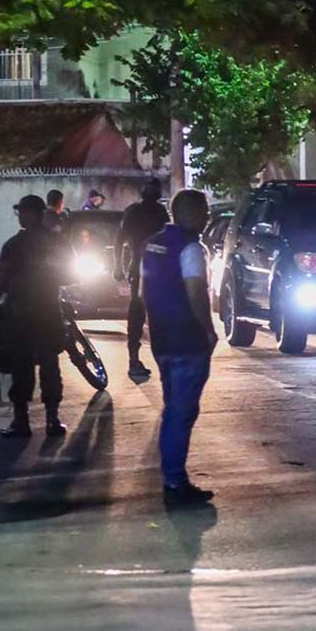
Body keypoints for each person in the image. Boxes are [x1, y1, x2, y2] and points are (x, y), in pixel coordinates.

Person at [141, 189, 217, 508]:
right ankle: (175, 481)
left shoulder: (153, 243)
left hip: (163, 338)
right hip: (187, 339)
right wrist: (209, 331)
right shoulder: (191, 248)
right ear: (192, 214)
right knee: (181, 412)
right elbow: (196, 293)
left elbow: (145, 290)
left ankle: (173, 476)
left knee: (172, 406)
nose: (206, 218)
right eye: (204, 212)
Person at [0, 195, 73, 438]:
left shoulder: (13, 245)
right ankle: (51, 420)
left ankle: (22, 422)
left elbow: (1, 282)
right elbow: (71, 275)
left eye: (23, 212)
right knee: (49, 365)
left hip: (21, 313)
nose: (20, 216)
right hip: (48, 310)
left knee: (22, 367)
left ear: (34, 214)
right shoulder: (57, 242)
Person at [116, 178, 170, 378]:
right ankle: (133, 358)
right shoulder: (134, 212)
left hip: (158, 269)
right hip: (140, 268)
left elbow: (167, 240)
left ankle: (160, 358)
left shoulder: (160, 213)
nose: (151, 193)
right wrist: (118, 265)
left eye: (153, 190)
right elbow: (119, 239)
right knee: (137, 314)